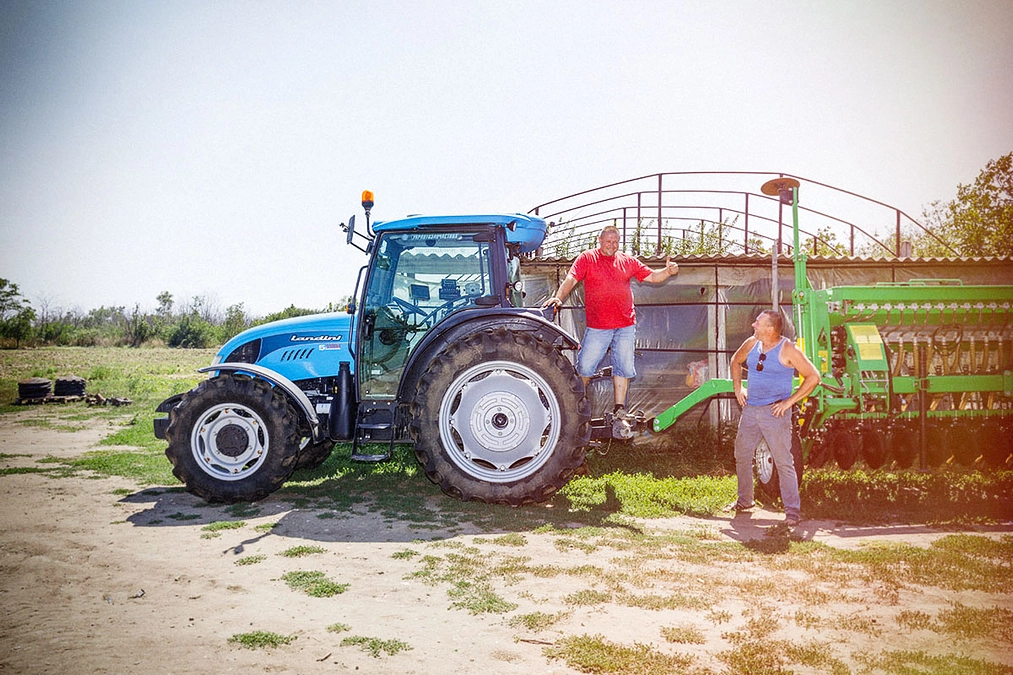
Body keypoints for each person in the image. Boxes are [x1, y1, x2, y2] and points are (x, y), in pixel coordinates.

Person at [542, 225, 678, 418]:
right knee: (585, 367)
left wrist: (667, 271)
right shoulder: (587, 258)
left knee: (623, 367)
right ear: (599, 240)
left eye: (615, 242)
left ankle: (619, 409)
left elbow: (653, 276)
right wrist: (558, 297)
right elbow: (571, 278)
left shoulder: (627, 261)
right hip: (598, 327)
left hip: (625, 326)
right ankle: (574, 406)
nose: (612, 245)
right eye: (608, 241)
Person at [727, 309, 821, 527]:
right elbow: (735, 361)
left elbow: (813, 377)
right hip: (751, 410)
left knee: (784, 462)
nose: (753, 325)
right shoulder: (752, 343)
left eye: (758, 323)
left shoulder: (788, 349)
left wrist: (788, 402)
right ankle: (745, 501)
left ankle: (792, 513)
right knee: (742, 455)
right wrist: (738, 388)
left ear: (770, 329)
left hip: (775, 413)